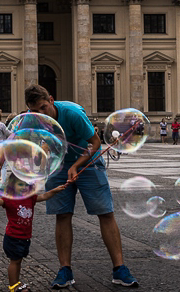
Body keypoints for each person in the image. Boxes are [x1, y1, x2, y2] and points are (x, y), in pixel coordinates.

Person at [25, 84, 137, 289]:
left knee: (105, 212)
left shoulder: (72, 113)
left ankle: (119, 268)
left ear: (51, 100)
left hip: (89, 162)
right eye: (35, 110)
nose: (41, 113)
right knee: (62, 214)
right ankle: (65, 270)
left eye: (43, 107)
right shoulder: (32, 120)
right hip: (58, 165)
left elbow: (95, 143)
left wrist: (76, 166)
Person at [0, 176, 69, 292]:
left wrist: (55, 191)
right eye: (20, 184)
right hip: (13, 237)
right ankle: (13, 286)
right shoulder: (10, 199)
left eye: (26, 185)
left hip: (25, 237)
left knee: (18, 261)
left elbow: (44, 196)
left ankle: (16, 283)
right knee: (14, 261)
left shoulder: (30, 198)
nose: (24, 187)